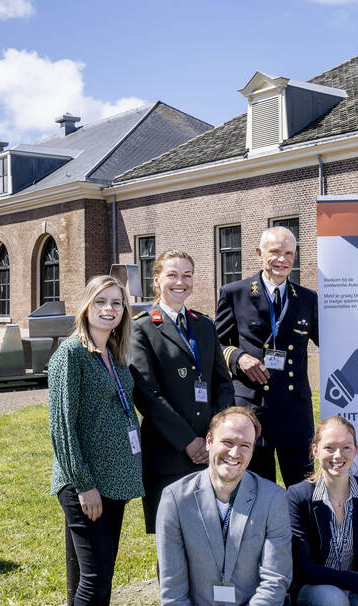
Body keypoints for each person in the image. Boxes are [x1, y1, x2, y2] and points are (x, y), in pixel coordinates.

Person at [49, 275, 142, 605]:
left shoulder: (114, 353)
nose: (109, 309)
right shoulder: (71, 354)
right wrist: (84, 485)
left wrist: (125, 478)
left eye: (116, 303)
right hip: (86, 484)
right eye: (100, 301)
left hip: (113, 482)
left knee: (100, 579)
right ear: (86, 307)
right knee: (94, 581)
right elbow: (62, 428)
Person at [131, 249, 234, 534]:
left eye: (187, 275)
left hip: (209, 453)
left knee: (210, 534)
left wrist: (215, 435)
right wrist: (188, 441)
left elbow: (223, 384)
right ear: (156, 280)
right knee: (171, 538)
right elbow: (147, 395)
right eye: (173, 275)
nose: (181, 282)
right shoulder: (142, 329)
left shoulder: (205, 325)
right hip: (169, 453)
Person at [156, 406, 292, 606]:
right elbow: (173, 591)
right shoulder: (175, 500)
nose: (235, 453)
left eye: (245, 445)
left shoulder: (273, 499)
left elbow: (275, 580)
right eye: (228, 442)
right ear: (209, 441)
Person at [215, 225, 319, 485]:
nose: (282, 259)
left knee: (302, 488)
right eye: (275, 252)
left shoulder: (307, 299)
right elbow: (215, 344)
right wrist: (238, 357)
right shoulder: (235, 294)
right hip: (253, 408)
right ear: (259, 253)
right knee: (256, 488)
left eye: (289, 253)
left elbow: (329, 341)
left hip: (294, 410)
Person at [287, 416, 358, 606]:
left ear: (356, 450)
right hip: (313, 588)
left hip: (355, 588)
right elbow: (304, 568)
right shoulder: (298, 496)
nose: (338, 455)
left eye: (346, 447)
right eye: (329, 448)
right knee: (333, 598)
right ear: (315, 450)